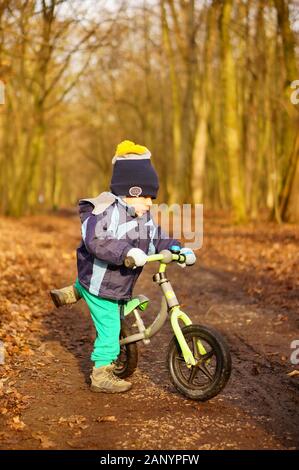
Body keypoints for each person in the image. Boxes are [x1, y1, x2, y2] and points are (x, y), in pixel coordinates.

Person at [51, 140, 196, 393]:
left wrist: (177, 248)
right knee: (110, 329)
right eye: (148, 197)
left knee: (113, 307)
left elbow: (155, 237)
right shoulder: (103, 212)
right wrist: (127, 252)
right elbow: (97, 241)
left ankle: (76, 290)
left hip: (116, 282)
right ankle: (101, 373)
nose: (151, 203)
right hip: (101, 283)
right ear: (133, 192)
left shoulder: (141, 215)